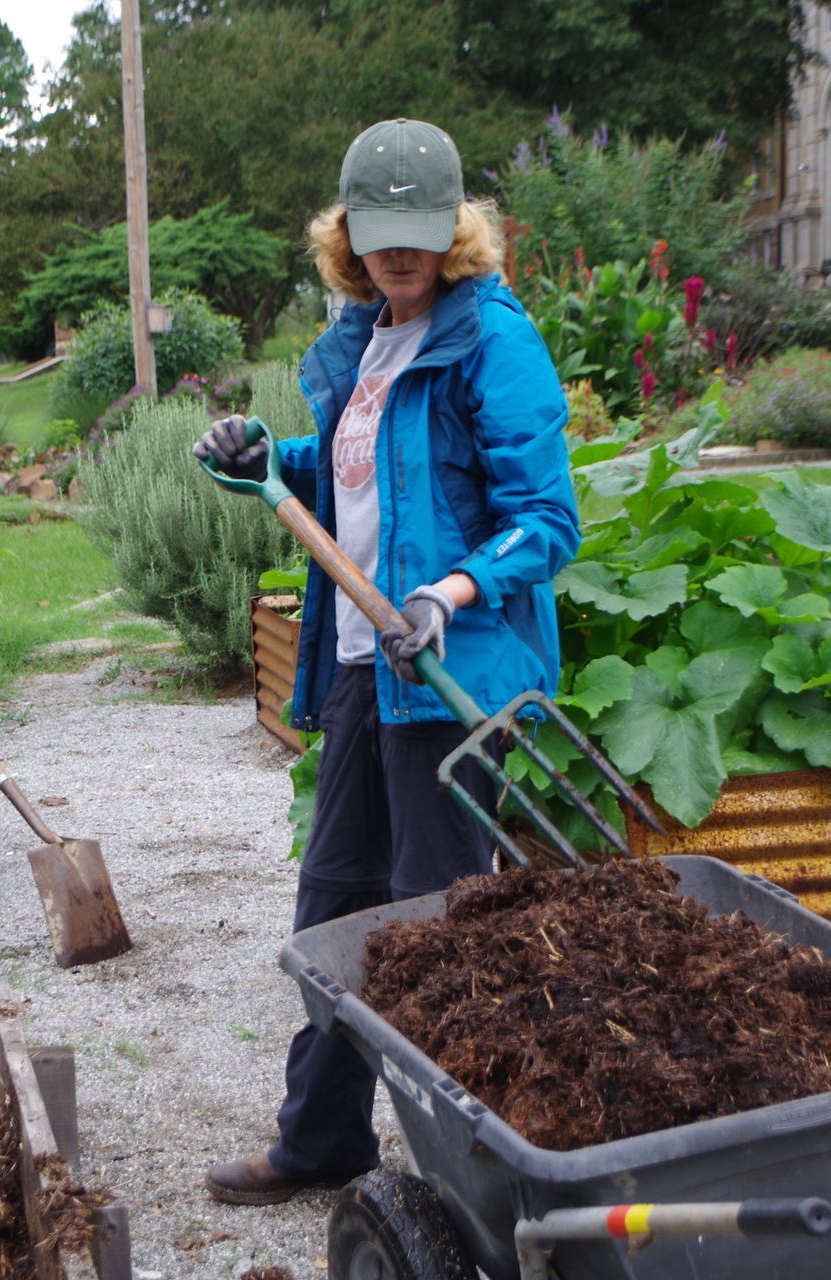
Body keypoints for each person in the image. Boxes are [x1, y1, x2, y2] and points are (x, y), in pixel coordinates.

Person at [195, 118, 580, 1204]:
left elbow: (548, 517)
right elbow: (363, 475)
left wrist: (445, 591)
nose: (397, 255)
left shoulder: (491, 340)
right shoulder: (369, 338)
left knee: (439, 923)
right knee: (333, 905)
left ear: (455, 229)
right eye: (377, 234)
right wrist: (274, 460)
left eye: (419, 233)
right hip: (368, 662)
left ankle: (476, 1169)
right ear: (346, 232)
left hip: (453, 674)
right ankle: (322, 1137)